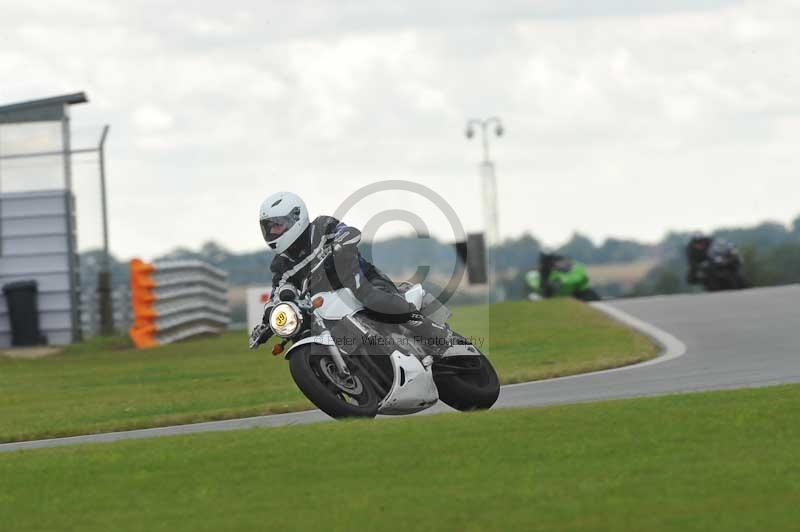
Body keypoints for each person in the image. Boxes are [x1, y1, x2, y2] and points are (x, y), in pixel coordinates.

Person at [253, 191, 453, 354]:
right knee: (303, 330)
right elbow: (277, 293)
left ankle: (433, 331)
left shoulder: (322, 227)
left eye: (277, 226)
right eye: (268, 228)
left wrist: (340, 245)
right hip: (328, 306)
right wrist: (267, 322)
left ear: (296, 217)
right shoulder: (281, 265)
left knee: (371, 298)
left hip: (360, 280)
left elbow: (348, 231)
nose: (272, 233)